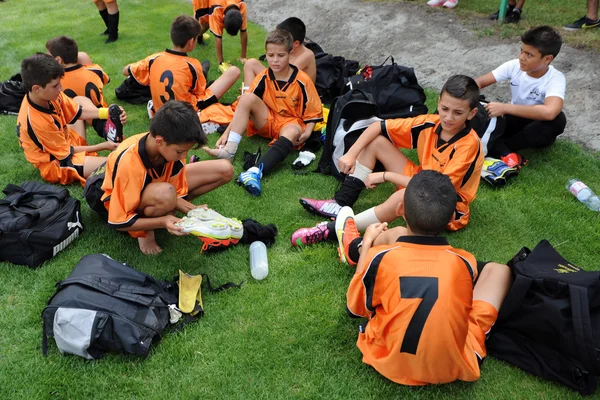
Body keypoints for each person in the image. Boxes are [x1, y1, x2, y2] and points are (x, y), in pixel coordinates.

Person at [337, 170, 512, 385]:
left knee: (393, 239)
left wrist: (369, 247)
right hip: (452, 365)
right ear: (450, 219)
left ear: (401, 209)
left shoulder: (380, 259)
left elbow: (353, 308)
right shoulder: (465, 262)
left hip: (387, 359)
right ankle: (355, 246)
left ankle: (358, 247)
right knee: (501, 271)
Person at [291, 74, 483, 247]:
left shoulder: (468, 145)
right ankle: (341, 203)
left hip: (446, 207)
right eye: (444, 108)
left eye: (457, 113)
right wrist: (351, 154)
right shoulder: (430, 123)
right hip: (420, 182)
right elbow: (378, 127)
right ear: (439, 101)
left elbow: (434, 189)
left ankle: (335, 229)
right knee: (377, 143)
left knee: (405, 195)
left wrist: (385, 176)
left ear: (471, 114)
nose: (448, 117)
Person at [88, 100, 234, 255]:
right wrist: (163, 222)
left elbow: (175, 191)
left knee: (225, 169)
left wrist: (193, 211)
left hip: (156, 188)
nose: (184, 156)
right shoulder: (129, 162)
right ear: (159, 141)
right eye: (180, 152)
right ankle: (145, 232)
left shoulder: (170, 147)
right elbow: (118, 221)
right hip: (107, 199)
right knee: (165, 194)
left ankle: (162, 207)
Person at [203, 29, 322, 196]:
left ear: (290, 53)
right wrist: (228, 133)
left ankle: (255, 172)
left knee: (294, 130)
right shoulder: (264, 76)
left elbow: (313, 112)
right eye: (270, 55)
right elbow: (244, 105)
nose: (274, 60)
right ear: (266, 54)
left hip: (289, 123)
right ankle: (229, 150)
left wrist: (308, 131)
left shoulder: (302, 80)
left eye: (280, 55)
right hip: (267, 120)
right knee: (246, 98)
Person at [16, 53, 124, 185]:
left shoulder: (48, 96)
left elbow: (78, 112)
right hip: (57, 163)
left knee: (80, 100)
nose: (60, 88)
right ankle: (110, 145)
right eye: (55, 86)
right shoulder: (35, 121)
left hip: (67, 141)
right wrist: (102, 147)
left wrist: (107, 113)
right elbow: (66, 152)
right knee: (119, 164)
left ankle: (108, 131)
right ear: (36, 89)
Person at [475, 26, 566, 169]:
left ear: (547, 59)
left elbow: (550, 112)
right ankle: (501, 149)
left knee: (558, 120)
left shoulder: (555, 78)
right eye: (521, 51)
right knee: (484, 108)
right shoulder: (514, 66)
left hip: (537, 126)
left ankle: (503, 148)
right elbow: (479, 83)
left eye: (529, 55)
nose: (521, 57)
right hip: (513, 118)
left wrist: (504, 107)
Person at [123, 15, 240, 117]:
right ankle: (204, 72)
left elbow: (125, 71)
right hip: (186, 112)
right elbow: (200, 92)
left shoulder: (154, 58)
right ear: (191, 42)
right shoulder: (192, 64)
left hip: (160, 111)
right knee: (234, 71)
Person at [46, 36, 124, 143]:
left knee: (72, 109)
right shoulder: (96, 70)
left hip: (73, 118)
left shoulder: (55, 81)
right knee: (83, 105)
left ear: (58, 60)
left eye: (48, 56)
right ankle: (107, 129)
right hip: (99, 112)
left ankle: (80, 146)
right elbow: (106, 80)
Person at [242, 17, 317, 93]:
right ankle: (246, 94)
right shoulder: (289, 51)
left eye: (282, 39)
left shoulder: (307, 55)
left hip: (291, 94)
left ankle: (249, 97)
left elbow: (284, 77)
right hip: (279, 86)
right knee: (251, 63)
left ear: (296, 43)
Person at [209, 0, 248, 72]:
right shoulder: (216, 10)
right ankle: (197, 37)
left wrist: (243, 57)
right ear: (223, 18)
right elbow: (218, 38)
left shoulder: (242, 5)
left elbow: (244, 31)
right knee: (203, 21)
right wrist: (221, 63)